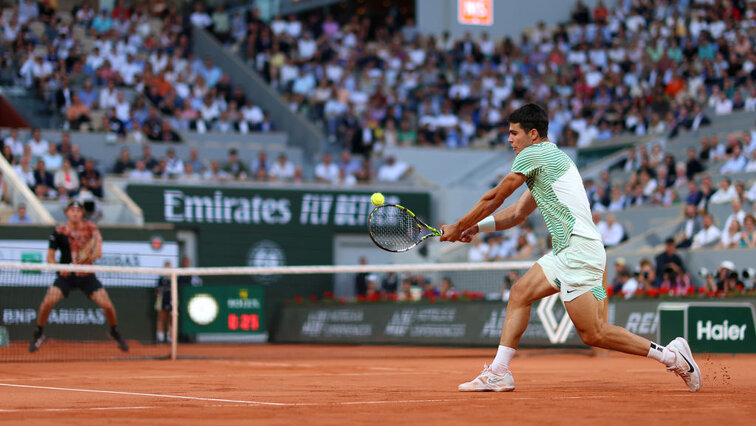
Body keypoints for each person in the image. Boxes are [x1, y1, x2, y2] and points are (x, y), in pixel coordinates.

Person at [440, 104, 700, 393]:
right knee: (520, 293)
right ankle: (499, 373)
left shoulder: (535, 154)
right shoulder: (549, 160)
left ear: (533, 134)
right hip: (567, 249)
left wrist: (458, 224)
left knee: (594, 333)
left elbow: (495, 197)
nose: (510, 140)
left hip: (579, 249)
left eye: (514, 134)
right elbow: (516, 214)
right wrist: (475, 227)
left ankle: (674, 358)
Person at [29, 200, 128, 353]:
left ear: (82, 213)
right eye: (72, 210)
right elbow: (50, 256)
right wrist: (58, 268)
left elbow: (98, 251)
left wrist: (88, 256)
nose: (75, 213)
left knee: (107, 305)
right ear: (67, 213)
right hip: (66, 275)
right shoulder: (59, 231)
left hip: (87, 275)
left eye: (78, 211)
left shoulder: (91, 228)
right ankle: (39, 333)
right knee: (47, 302)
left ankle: (114, 331)